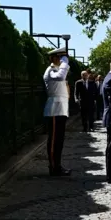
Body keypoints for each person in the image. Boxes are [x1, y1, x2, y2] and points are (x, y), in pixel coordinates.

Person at [43, 47, 71, 177]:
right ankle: (54, 167)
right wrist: (65, 63)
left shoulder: (57, 70)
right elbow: (60, 77)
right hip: (54, 109)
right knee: (54, 140)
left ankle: (57, 166)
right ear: (54, 58)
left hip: (60, 109)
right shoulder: (51, 70)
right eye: (61, 58)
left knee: (59, 140)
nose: (63, 61)